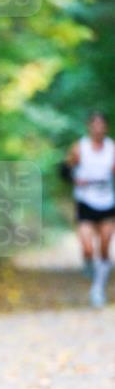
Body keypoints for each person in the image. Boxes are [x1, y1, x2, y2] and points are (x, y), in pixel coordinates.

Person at [66, 111, 115, 308]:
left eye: (101, 124)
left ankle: (98, 289)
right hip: (85, 201)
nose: (98, 128)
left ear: (106, 127)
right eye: (94, 124)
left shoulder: (112, 148)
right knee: (88, 247)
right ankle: (89, 265)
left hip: (107, 202)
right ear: (89, 126)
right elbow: (65, 169)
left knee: (104, 247)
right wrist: (75, 178)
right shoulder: (80, 148)